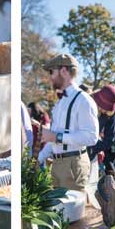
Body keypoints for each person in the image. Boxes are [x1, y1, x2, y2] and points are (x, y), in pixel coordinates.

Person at [38, 53, 99, 191]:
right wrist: (39, 158)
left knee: (71, 211)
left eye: (51, 72)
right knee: (59, 211)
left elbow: (91, 137)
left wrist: (57, 137)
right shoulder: (60, 103)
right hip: (57, 163)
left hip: (74, 164)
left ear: (64, 71)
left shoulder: (83, 100)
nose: (50, 77)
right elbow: (52, 138)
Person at [89, 85, 115, 175]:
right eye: (104, 107)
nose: (105, 110)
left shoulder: (110, 114)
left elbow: (109, 140)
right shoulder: (86, 104)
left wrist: (94, 148)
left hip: (92, 153)